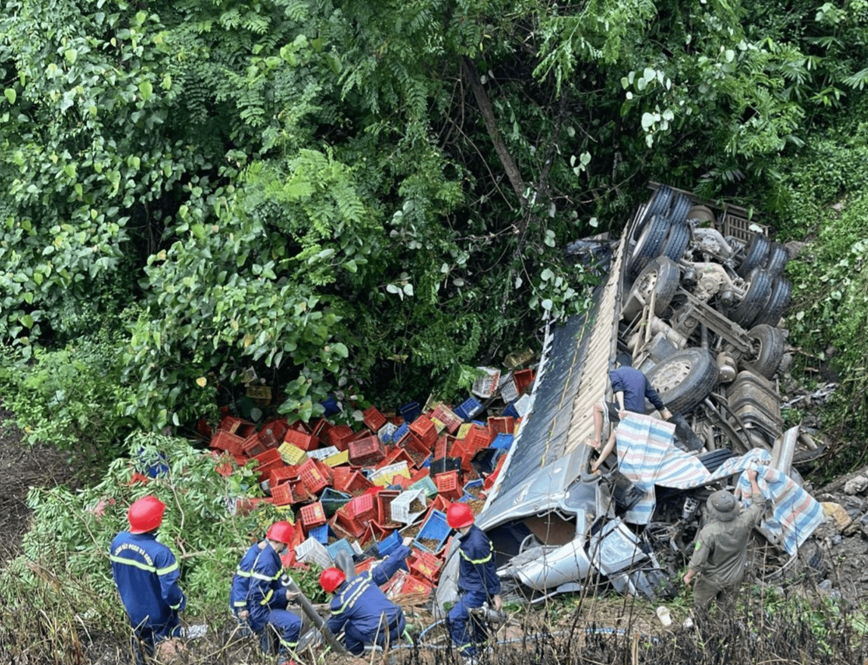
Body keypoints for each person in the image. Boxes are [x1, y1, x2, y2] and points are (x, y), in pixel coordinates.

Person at [683, 469, 768, 619]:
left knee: (700, 611)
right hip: (734, 578)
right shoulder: (745, 522)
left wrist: (688, 576)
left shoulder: (708, 533)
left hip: (710, 581)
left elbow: (698, 561)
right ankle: (723, 636)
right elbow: (760, 503)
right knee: (726, 614)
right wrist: (753, 480)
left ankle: (701, 633)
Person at [110, 495, 186, 663]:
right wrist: (179, 604)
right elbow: (170, 592)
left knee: (140, 655)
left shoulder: (118, 542)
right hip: (160, 619)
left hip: (132, 613)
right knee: (166, 657)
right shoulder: (161, 553)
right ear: (157, 522)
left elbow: (116, 576)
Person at [320, 536, 414, 655]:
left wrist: (320, 635)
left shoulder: (340, 603)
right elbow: (388, 565)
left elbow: (332, 628)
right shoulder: (365, 578)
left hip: (383, 635)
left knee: (349, 628)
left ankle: (358, 657)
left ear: (331, 591)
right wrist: (403, 547)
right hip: (400, 621)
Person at [229, 521, 302, 665]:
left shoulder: (269, 555)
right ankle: (282, 659)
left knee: (269, 643)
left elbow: (276, 579)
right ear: (283, 542)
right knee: (292, 624)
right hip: (259, 610)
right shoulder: (264, 561)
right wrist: (242, 608)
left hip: (266, 606)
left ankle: (268, 658)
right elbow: (251, 589)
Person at [446, 503, 502, 662]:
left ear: (455, 525)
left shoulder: (476, 544)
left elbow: (488, 570)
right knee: (474, 617)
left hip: (477, 590)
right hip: (471, 586)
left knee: (454, 618)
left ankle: (470, 656)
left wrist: (495, 594)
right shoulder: (473, 535)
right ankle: (484, 645)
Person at [589, 365, 672, 472]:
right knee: (614, 435)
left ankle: (597, 441)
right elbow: (652, 395)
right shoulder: (640, 374)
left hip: (627, 409)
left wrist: (622, 408)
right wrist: (663, 410)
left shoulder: (614, 373)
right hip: (640, 414)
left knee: (597, 407)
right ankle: (597, 463)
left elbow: (618, 389)